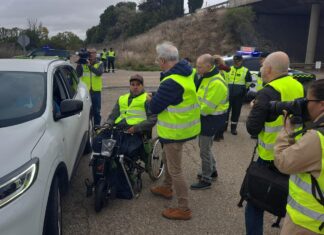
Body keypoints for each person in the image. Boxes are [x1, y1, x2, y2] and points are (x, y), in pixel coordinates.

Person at [245, 51, 304, 235]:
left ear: (269, 69)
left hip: (269, 157)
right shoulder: (298, 86)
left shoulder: (266, 92)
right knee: (288, 198)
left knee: (255, 203)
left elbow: (252, 128)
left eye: (263, 66)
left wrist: (254, 109)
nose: (261, 69)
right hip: (294, 154)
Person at [148, 41, 200, 220]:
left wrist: (150, 99)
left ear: (163, 60)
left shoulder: (171, 81)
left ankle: (183, 208)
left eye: (158, 60)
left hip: (175, 132)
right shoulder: (189, 72)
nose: (158, 62)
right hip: (184, 128)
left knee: (176, 169)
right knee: (168, 160)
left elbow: (154, 107)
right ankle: (166, 186)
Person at [274, 78, 324, 235]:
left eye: (308, 100)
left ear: (322, 104)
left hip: (308, 223)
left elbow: (283, 162)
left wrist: (287, 129)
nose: (305, 104)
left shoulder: (317, 137)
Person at [190, 54, 228, 190]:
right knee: (205, 146)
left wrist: (189, 111)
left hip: (211, 119)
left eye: (199, 66)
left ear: (208, 66)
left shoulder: (216, 83)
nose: (196, 68)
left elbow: (205, 108)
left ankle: (206, 179)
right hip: (208, 119)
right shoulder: (207, 77)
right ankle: (213, 170)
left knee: (204, 150)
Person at [76, 48, 103, 126]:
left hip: (96, 91)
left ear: (95, 54)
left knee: (96, 111)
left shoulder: (100, 63)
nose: (91, 54)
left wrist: (89, 66)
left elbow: (99, 73)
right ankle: (87, 127)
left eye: (92, 53)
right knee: (85, 111)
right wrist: (79, 64)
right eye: (89, 53)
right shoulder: (83, 63)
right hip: (86, 91)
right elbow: (78, 74)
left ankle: (97, 127)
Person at [227, 54, 252, 135]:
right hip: (228, 94)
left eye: (238, 61)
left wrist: (243, 90)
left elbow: (248, 82)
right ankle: (223, 127)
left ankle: (233, 128)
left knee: (236, 112)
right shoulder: (229, 69)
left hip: (238, 96)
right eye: (234, 61)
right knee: (225, 111)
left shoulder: (245, 71)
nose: (236, 63)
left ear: (241, 61)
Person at [213, 54, 231, 141]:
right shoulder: (226, 70)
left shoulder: (215, 71)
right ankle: (220, 134)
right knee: (223, 115)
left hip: (218, 94)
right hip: (225, 94)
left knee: (217, 115)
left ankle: (217, 135)